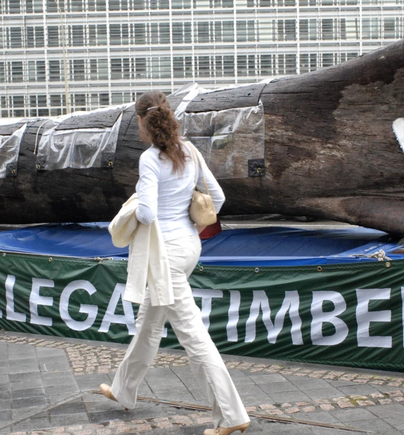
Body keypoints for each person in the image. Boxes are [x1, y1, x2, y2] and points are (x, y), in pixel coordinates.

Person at [100, 90, 251, 435]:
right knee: (150, 323)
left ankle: (231, 415)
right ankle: (123, 389)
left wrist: (134, 204)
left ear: (142, 122)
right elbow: (219, 198)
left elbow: (149, 213)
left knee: (193, 336)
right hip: (188, 245)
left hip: (163, 254)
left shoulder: (150, 159)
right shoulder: (190, 151)